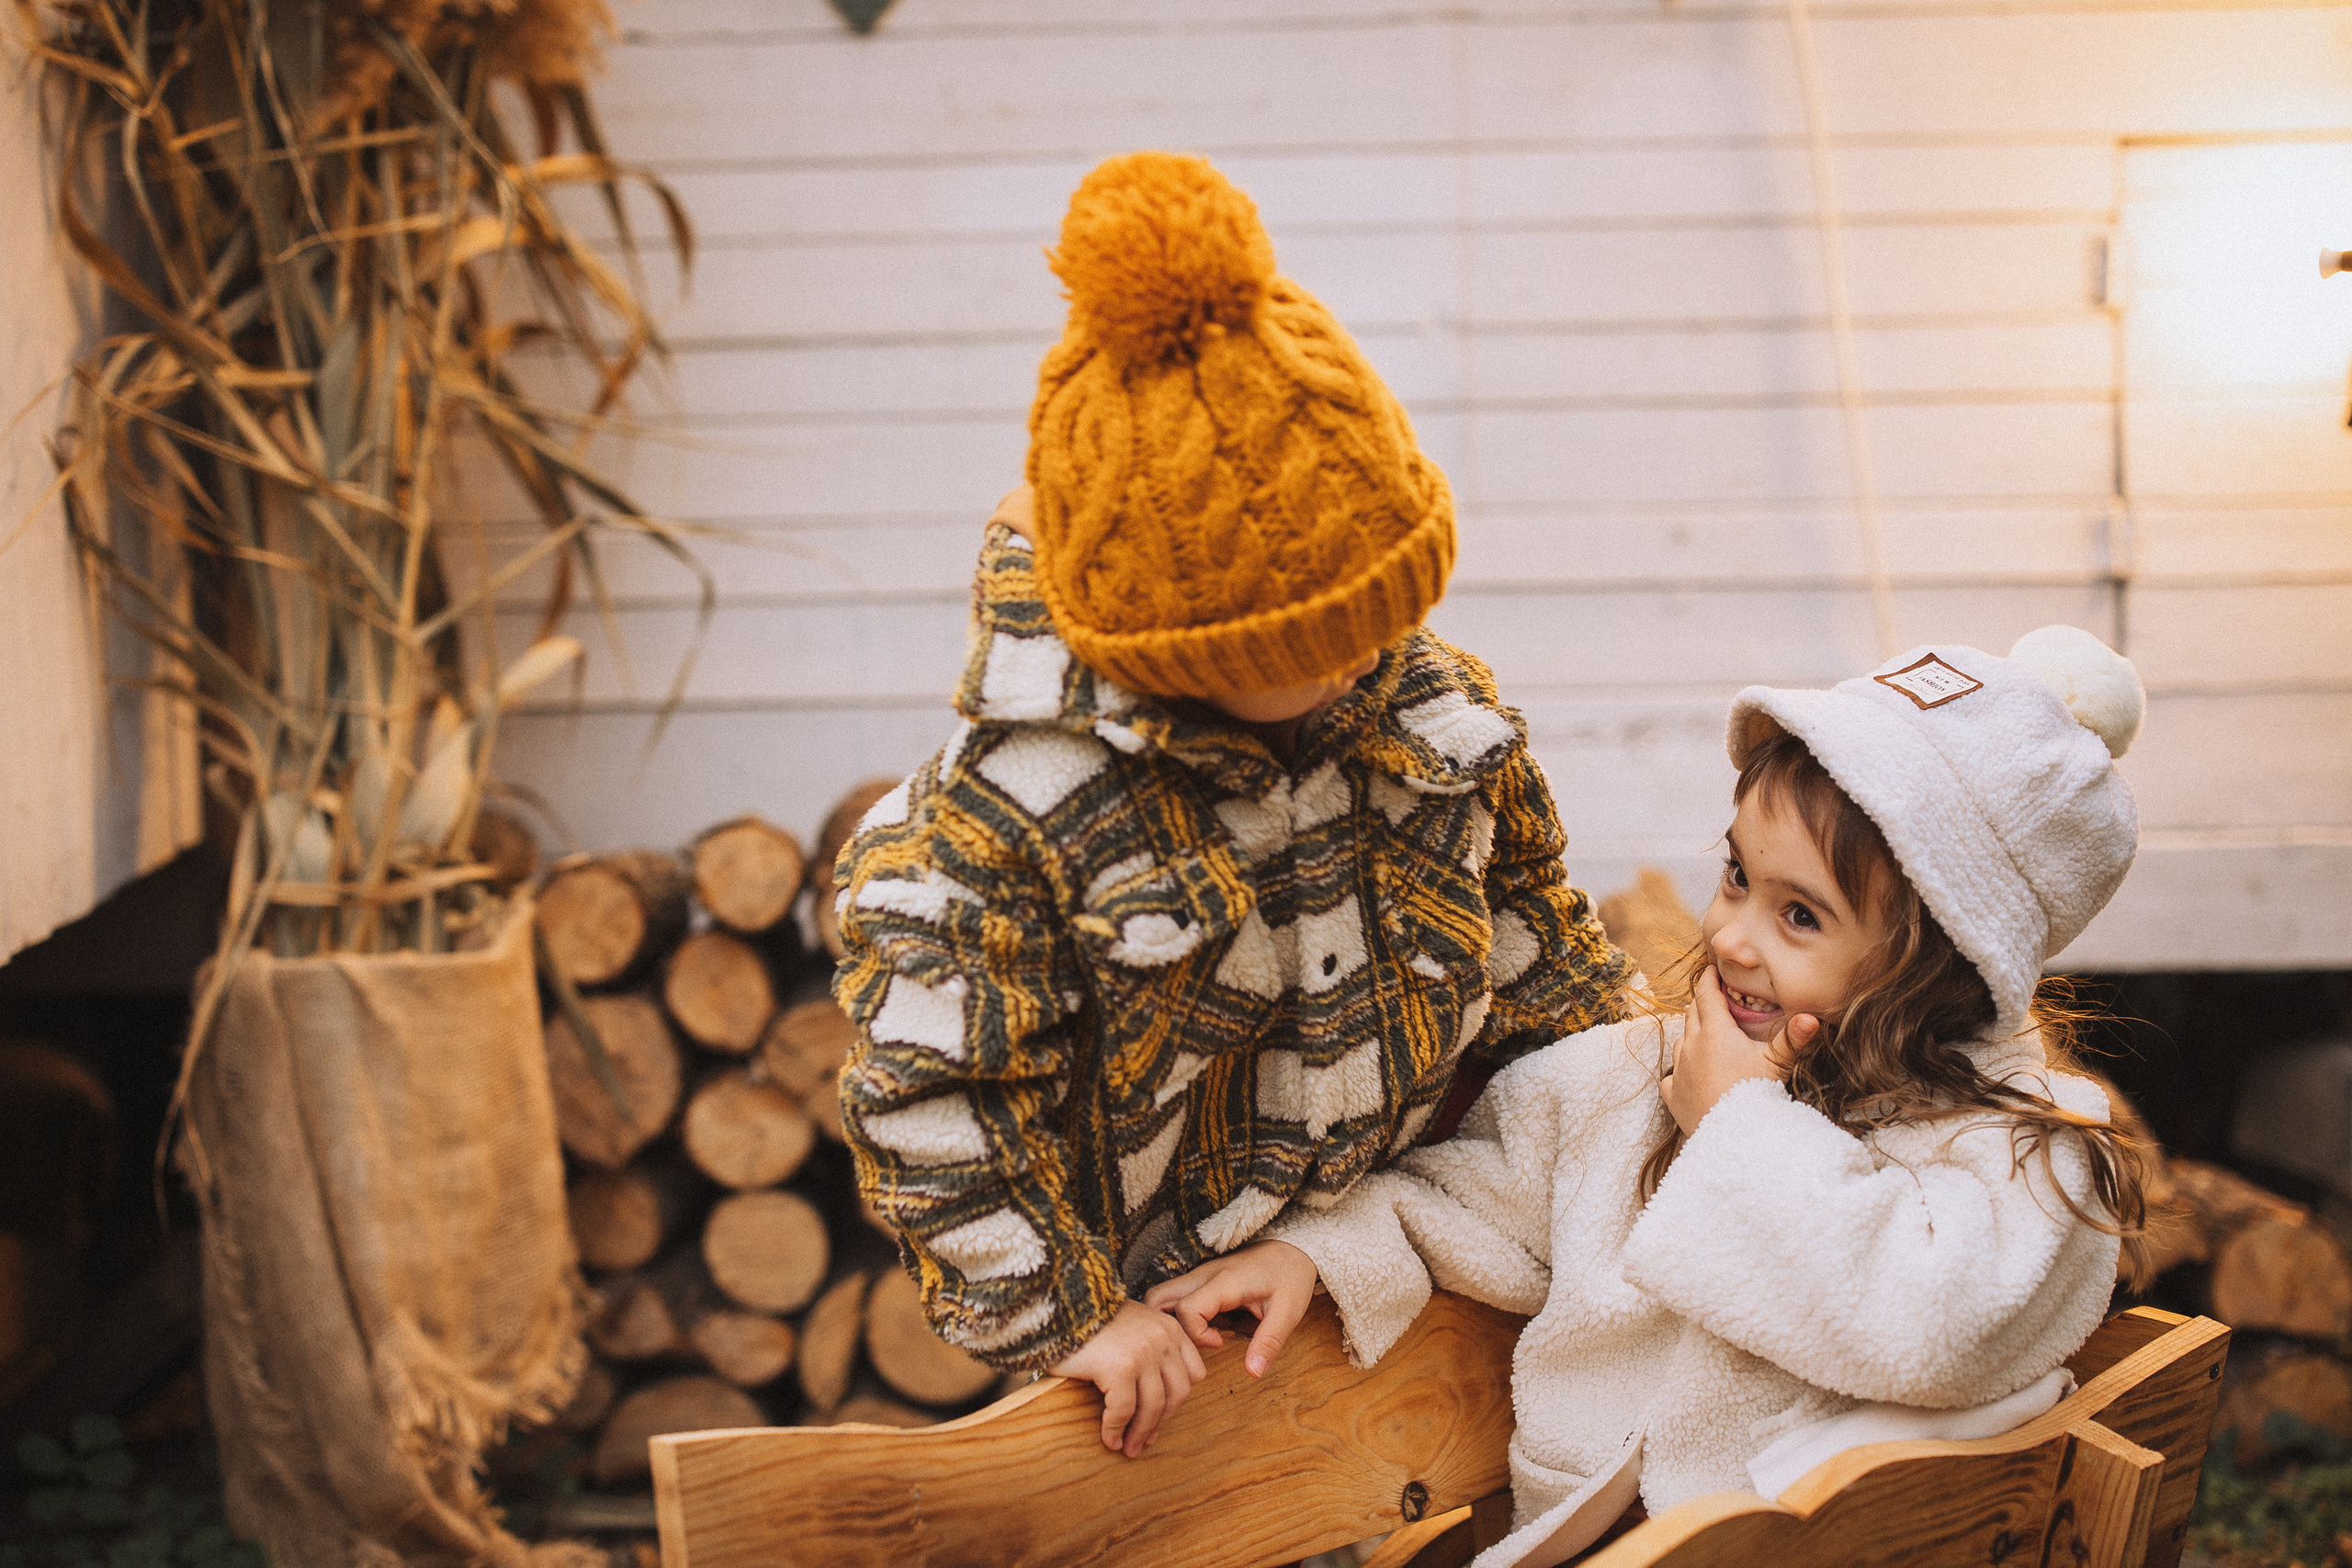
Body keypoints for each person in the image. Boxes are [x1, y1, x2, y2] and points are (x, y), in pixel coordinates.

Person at [829, 151, 1634, 1459]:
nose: (1377, 650)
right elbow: (932, 1091)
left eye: (1397, 601)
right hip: (1157, 1330)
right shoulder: (1015, 821)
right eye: (1328, 636)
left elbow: (1533, 925)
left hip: (1392, 1248)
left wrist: (1628, 1102)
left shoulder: (1424, 703)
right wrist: (1067, 1317)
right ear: (1178, 654)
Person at [1149, 626, 2153, 1568]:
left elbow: (1931, 1325)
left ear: (1940, 965)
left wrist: (1733, 1127)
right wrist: (1316, 1254)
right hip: (1582, 1529)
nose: (1730, 936)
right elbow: (1473, 1193)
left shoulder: (2018, 1158)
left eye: (1798, 914)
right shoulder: (1640, 1077)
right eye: (1736, 877)